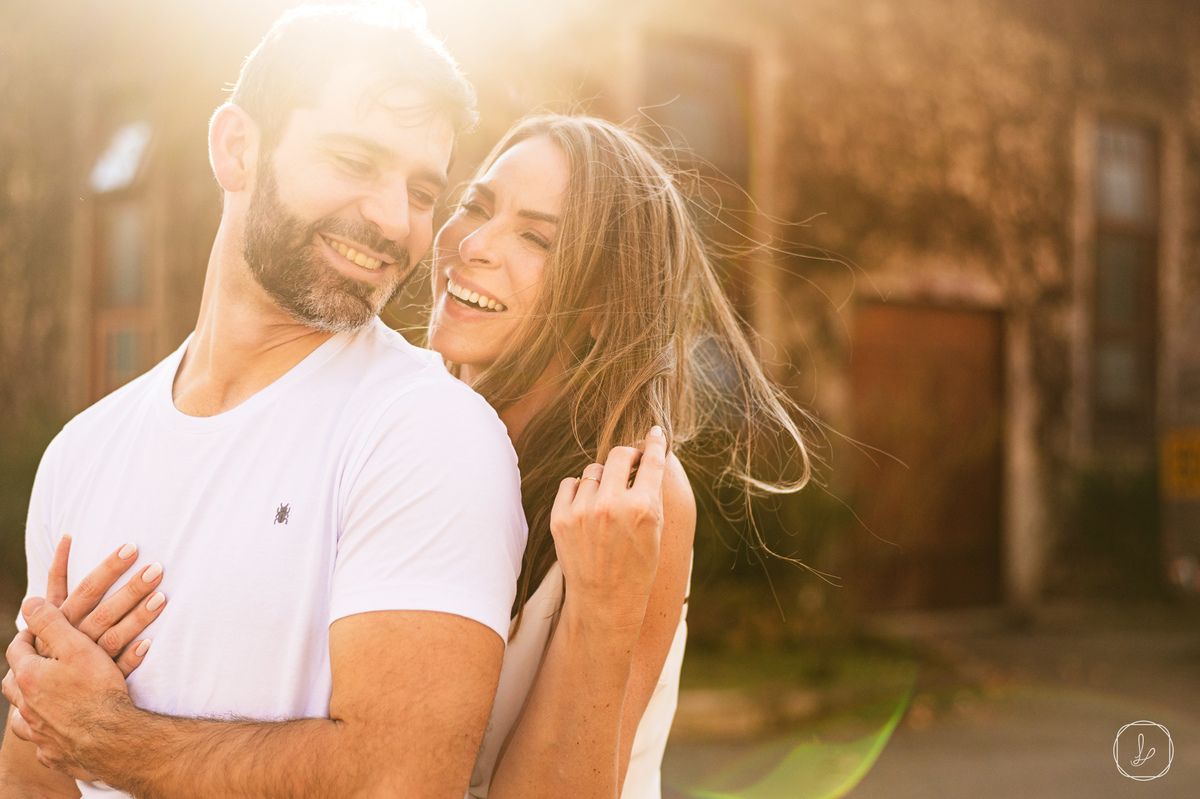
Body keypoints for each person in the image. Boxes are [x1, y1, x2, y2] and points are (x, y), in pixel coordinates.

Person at [0, 5, 535, 797]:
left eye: (423, 190)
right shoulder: (83, 449)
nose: (394, 218)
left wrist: (116, 740)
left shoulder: (426, 432)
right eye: (355, 159)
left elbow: (397, 781)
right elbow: (35, 767)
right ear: (237, 147)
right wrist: (53, 717)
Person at [426, 114, 812, 798]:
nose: (474, 243)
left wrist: (600, 613)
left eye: (536, 236)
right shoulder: (400, 432)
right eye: (475, 206)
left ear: (603, 301)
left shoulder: (635, 495)